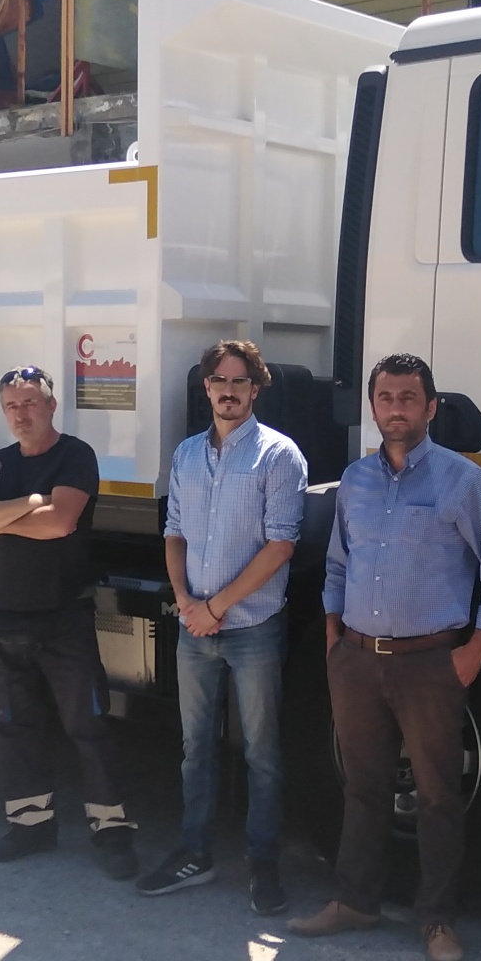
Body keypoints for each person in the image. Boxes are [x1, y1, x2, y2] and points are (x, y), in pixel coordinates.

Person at [288, 353, 481, 961]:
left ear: (431, 407)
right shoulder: (354, 481)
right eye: (386, 398)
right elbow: (337, 564)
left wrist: (472, 654)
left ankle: (437, 919)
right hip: (358, 660)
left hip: (430, 666)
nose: (396, 409)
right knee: (362, 787)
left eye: (408, 398)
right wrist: (335, 639)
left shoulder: (462, 482)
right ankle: (354, 901)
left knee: (438, 796)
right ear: (373, 406)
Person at [138, 340, 309, 912]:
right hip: (195, 625)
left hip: (253, 627)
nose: (228, 391)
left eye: (239, 382)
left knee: (262, 752)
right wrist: (186, 600)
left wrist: (217, 608)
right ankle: (195, 853)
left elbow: (280, 545)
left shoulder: (279, 456)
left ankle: (264, 864)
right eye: (219, 381)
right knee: (196, 749)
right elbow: (174, 533)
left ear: (255, 389)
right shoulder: (187, 454)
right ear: (206, 387)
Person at [0, 366, 139, 880]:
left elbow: (61, 522)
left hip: (64, 617)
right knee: (12, 725)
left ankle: (112, 832)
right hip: (6, 617)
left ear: (51, 405)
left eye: (30, 403)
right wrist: (31, 503)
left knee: (87, 724)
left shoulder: (75, 455)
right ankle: (30, 826)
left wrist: (1, 521)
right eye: (12, 406)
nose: (21, 414)